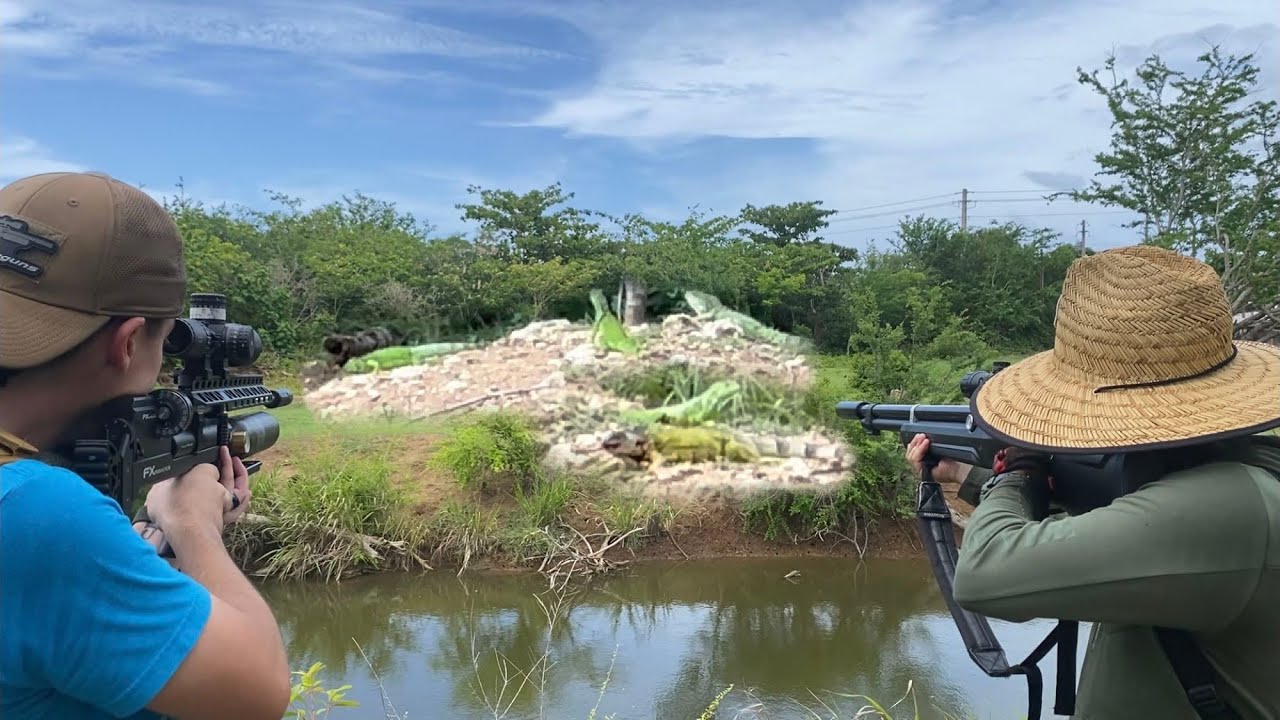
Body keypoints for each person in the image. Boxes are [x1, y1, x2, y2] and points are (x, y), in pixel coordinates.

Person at [904, 244, 1280, 719]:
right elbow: (1114, 522)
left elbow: (984, 576)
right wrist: (971, 474)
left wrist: (1019, 473)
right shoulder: (1232, 475)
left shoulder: (1224, 506)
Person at [0, 172, 292, 719]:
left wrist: (132, 552)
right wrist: (195, 528)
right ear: (129, 342)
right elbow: (258, 692)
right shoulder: (37, 512)